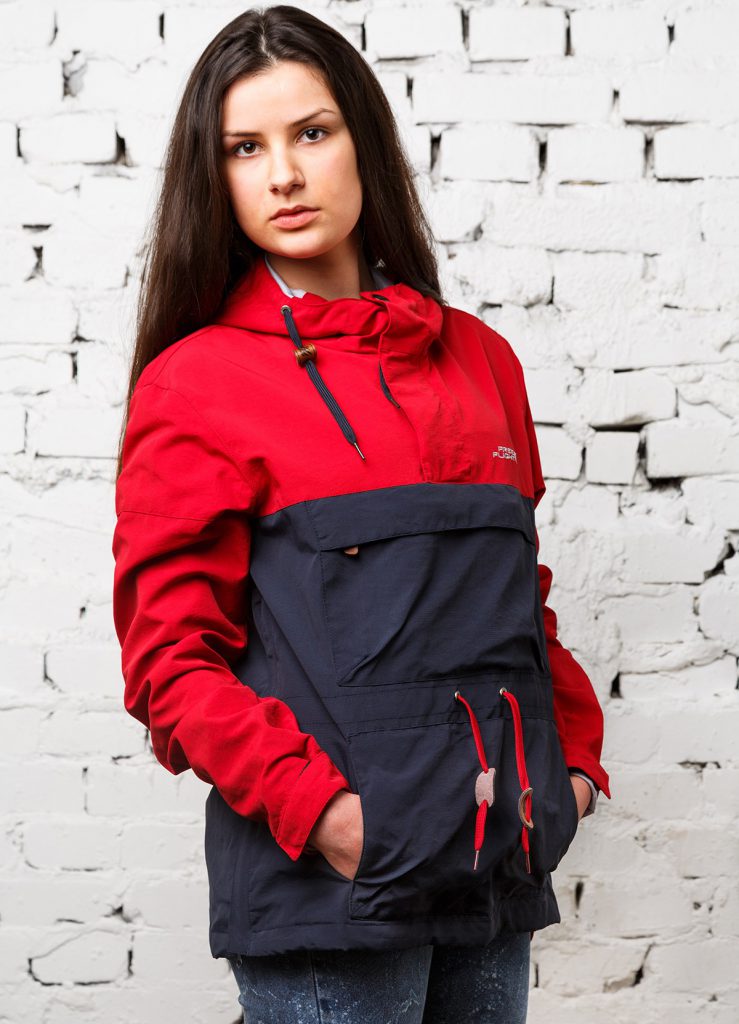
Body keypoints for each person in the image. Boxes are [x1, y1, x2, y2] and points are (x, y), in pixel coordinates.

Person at [111, 6, 611, 1022]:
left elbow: (515, 597)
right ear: (215, 177)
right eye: (244, 149)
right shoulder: (196, 383)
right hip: (328, 888)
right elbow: (170, 662)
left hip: (496, 867)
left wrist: (573, 764)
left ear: (364, 142)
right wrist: (328, 815)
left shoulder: (480, 360)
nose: (283, 175)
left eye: (311, 132)